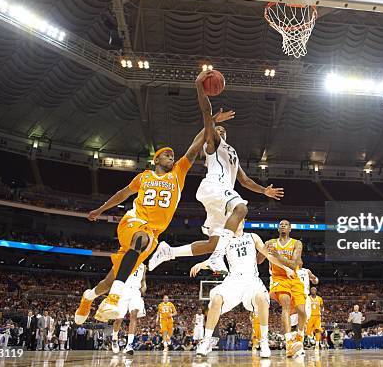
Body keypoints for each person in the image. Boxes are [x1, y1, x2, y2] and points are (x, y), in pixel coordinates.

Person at [73, 106, 234, 324]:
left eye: (172, 155)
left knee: (110, 279)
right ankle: (114, 298)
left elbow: (195, 146)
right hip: (134, 222)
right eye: (167, 155)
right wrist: (100, 210)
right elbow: (122, 194)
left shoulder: (178, 174)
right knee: (141, 239)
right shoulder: (144, 177)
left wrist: (212, 121)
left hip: (152, 235)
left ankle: (89, 297)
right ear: (156, 160)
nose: (171, 157)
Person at [149, 70, 284, 273]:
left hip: (219, 197)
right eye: (216, 130)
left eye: (222, 129)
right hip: (214, 187)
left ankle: (169, 252)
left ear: (227, 134)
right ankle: (217, 258)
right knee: (241, 209)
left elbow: (245, 181)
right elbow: (205, 113)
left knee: (214, 242)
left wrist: (264, 191)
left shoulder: (232, 153)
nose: (219, 131)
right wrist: (199, 89)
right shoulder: (212, 146)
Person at [190, 220, 295, 358]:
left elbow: (269, 256)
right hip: (233, 280)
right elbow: (215, 259)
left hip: (251, 280)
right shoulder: (225, 240)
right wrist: (201, 264)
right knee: (216, 300)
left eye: (240, 219)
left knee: (262, 299)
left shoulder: (253, 237)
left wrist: (285, 267)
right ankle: (206, 340)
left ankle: (263, 341)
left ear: (244, 222)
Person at [258, 219, 306, 357]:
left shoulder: (297, 243)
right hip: (279, 278)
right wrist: (263, 250)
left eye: (286, 225)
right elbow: (259, 261)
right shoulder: (271, 242)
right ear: (278, 229)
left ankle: (300, 336)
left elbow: (294, 264)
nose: (283, 226)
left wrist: (278, 256)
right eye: (281, 225)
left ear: (290, 229)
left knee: (302, 311)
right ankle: (289, 342)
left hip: (293, 277)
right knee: (285, 304)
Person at [111, 263, 147, 355]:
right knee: (119, 319)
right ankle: (114, 339)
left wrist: (144, 288)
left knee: (134, 315)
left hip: (135, 291)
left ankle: (129, 344)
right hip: (124, 289)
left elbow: (143, 281)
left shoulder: (143, 266)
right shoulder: (128, 259)